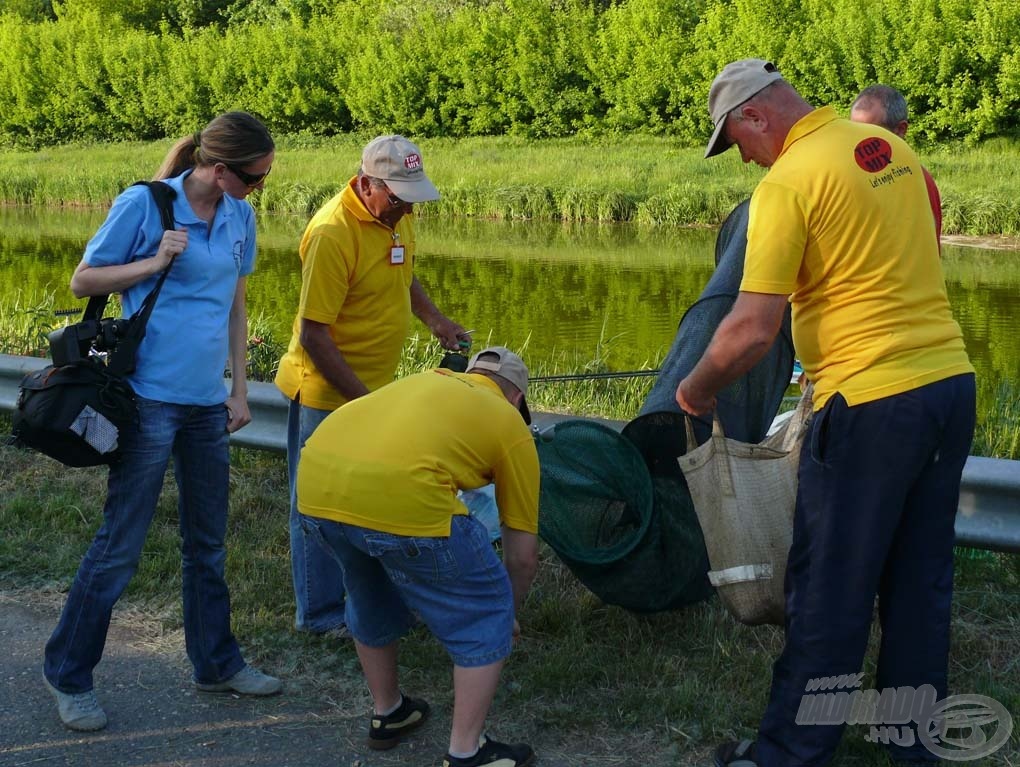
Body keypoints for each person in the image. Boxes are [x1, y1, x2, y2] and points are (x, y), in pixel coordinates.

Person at [677, 60, 975, 767]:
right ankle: (913, 745)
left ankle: (787, 754)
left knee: (830, 591)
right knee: (918, 584)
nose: (742, 158)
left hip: (872, 406)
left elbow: (751, 328)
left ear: (755, 116)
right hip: (948, 386)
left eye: (737, 142)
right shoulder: (894, 152)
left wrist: (696, 387)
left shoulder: (787, 182)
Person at [43, 112, 282, 732]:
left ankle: (216, 663)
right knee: (119, 546)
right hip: (147, 399)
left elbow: (235, 303)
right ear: (220, 168)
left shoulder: (240, 216)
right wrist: (152, 262)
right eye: (254, 179)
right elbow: (83, 281)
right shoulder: (146, 204)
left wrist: (239, 387)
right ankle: (69, 675)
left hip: (207, 405)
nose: (259, 190)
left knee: (207, 544)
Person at [296, 347, 539, 767]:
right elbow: (521, 556)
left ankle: (389, 713)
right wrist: (506, 613)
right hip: (399, 497)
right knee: (484, 611)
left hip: (316, 490)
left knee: (366, 588)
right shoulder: (509, 424)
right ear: (518, 399)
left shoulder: (420, 382)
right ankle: (468, 751)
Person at [274, 134, 467, 637]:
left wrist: (435, 320)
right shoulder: (332, 233)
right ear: (366, 183)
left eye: (411, 196)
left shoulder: (394, 217)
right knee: (314, 503)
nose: (406, 208)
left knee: (365, 498)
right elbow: (313, 334)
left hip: (373, 388)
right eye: (398, 196)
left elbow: (404, 272)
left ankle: (369, 600)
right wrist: (364, 404)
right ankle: (318, 614)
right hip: (325, 391)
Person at [851, 84, 943, 247]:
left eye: (870, 134)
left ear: (900, 130)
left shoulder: (918, 180)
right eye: (854, 131)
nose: (859, 143)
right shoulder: (851, 176)